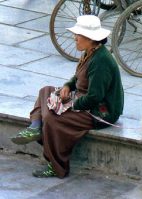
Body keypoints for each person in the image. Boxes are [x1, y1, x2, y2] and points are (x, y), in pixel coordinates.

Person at [10, 15, 124, 178]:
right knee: (46, 90)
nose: (75, 38)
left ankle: (56, 166)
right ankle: (35, 127)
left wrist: (70, 104)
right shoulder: (90, 52)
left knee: (51, 119)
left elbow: (94, 97)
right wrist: (67, 87)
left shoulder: (101, 61)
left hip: (100, 112)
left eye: (79, 35)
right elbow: (78, 77)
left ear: (91, 38)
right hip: (82, 99)